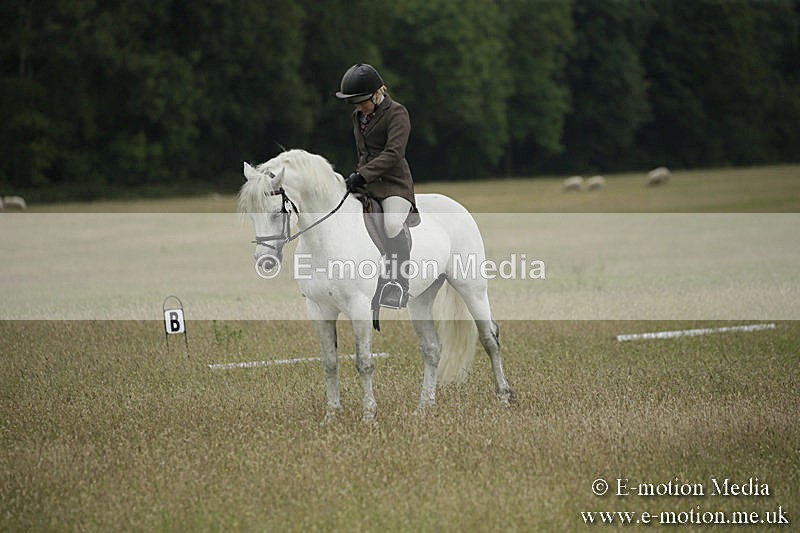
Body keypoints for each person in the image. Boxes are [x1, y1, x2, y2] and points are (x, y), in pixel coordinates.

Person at [336, 63, 416, 309]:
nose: (358, 107)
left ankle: (399, 284)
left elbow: (394, 153)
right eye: (354, 103)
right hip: (367, 183)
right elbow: (364, 151)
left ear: (377, 94)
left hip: (394, 185)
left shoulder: (397, 113)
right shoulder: (358, 115)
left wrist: (362, 174)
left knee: (392, 224)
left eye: (361, 101)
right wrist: (354, 180)